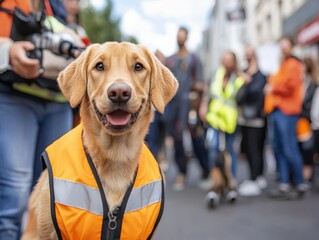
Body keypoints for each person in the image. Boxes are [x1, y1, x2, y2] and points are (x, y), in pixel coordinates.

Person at [0, 0, 81, 238]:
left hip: (57, 105)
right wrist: (8, 52)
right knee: (14, 199)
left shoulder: (56, 7)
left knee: (54, 197)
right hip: (15, 99)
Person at [165, 26, 209, 190]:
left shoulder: (193, 59)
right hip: (174, 105)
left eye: (182, 35)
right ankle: (181, 172)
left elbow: (200, 83)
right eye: (178, 35)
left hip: (190, 105)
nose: (180, 38)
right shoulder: (170, 60)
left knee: (196, 138)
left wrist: (197, 94)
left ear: (187, 37)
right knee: (177, 139)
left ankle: (206, 169)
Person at [264, 36, 308, 199]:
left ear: (291, 47)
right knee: (279, 148)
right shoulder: (283, 64)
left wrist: (272, 87)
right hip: (278, 111)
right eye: (281, 46)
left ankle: (300, 181)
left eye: (285, 46)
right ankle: (284, 183)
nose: (283, 49)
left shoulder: (293, 64)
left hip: (287, 112)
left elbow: (288, 86)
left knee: (289, 147)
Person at [200, 51, 246, 204]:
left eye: (230, 60)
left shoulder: (238, 78)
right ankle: (216, 184)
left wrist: (242, 77)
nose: (227, 63)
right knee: (213, 151)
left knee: (229, 152)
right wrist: (203, 106)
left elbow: (241, 97)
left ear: (234, 62)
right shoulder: (216, 74)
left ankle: (231, 184)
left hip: (230, 122)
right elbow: (208, 93)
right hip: (214, 120)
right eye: (224, 59)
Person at [237, 46, 267, 197]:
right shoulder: (244, 72)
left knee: (256, 148)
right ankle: (255, 177)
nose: (248, 56)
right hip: (245, 118)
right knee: (248, 148)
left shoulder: (260, 75)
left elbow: (257, 92)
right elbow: (238, 95)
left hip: (256, 118)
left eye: (250, 53)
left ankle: (255, 179)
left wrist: (247, 81)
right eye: (246, 53)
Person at [298, 57, 317, 183]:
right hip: (300, 122)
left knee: (309, 150)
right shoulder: (300, 83)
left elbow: (308, 104)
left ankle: (308, 177)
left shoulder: (313, 84)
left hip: (308, 121)